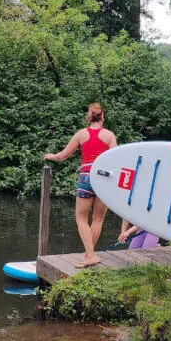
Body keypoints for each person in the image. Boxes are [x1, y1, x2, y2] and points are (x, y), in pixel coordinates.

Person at [44, 103, 117, 268]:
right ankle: (89, 255)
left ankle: (89, 255)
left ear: (89, 117)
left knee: (81, 218)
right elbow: (115, 159)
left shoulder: (81, 134)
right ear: (102, 117)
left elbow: (62, 156)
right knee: (98, 219)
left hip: (86, 177)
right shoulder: (109, 135)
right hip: (103, 179)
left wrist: (51, 156)